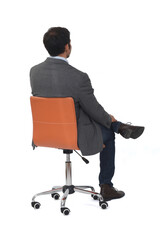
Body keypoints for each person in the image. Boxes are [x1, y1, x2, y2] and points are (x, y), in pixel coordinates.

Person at [30, 27, 144, 201]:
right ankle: (106, 186)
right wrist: (110, 120)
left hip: (45, 134)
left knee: (79, 107)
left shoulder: (34, 72)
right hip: (75, 135)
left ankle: (119, 126)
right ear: (68, 46)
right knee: (107, 134)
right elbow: (93, 110)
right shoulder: (78, 77)